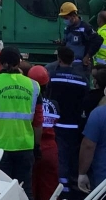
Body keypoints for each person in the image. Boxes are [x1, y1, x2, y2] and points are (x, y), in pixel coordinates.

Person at [0, 48, 43, 200]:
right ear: (19, 62)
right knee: (24, 190)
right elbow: (38, 122)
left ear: (0, 63)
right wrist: (37, 146)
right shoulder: (34, 85)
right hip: (25, 146)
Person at [45, 46, 89, 197]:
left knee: (61, 156)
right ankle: (76, 186)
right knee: (74, 155)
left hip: (57, 123)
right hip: (75, 124)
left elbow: (47, 99)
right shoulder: (82, 80)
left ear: (59, 59)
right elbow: (85, 102)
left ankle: (63, 191)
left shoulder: (52, 77)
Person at [28, 66, 60, 200]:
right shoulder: (55, 104)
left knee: (30, 186)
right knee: (50, 189)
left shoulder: (27, 102)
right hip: (51, 149)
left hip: (31, 146)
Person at [58, 2, 101, 81]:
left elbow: (98, 40)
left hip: (80, 65)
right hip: (68, 63)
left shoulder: (85, 27)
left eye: (66, 18)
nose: (65, 20)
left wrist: (87, 56)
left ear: (73, 16)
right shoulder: (68, 28)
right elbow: (67, 42)